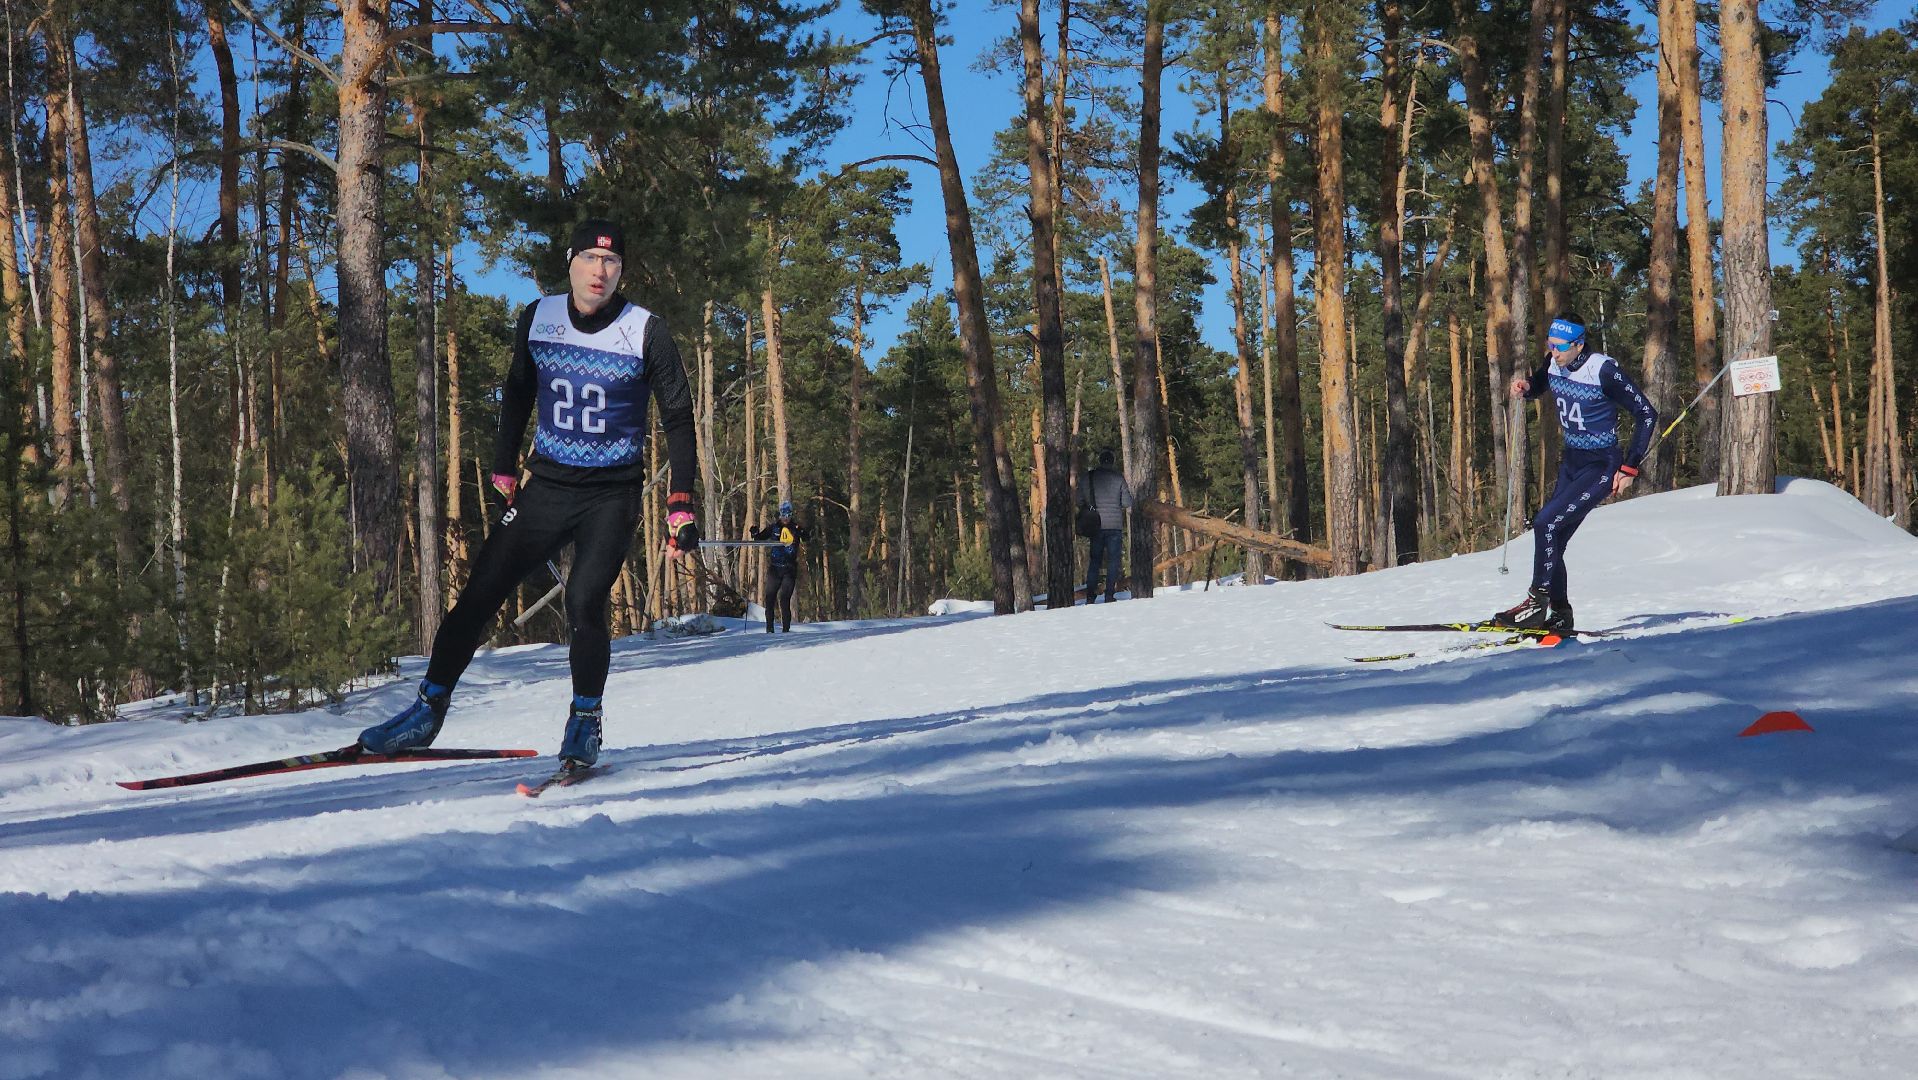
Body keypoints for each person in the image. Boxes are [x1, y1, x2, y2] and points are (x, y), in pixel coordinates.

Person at [358, 218, 699, 770]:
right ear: (570, 263)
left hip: (611, 494)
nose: (600, 271)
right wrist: (502, 467)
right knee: (480, 592)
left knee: (585, 600)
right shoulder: (538, 317)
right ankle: (426, 710)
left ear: (622, 273)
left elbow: (679, 418)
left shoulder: (644, 330)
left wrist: (680, 503)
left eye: (611, 262)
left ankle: (585, 723)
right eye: (589, 258)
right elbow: (517, 390)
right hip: (547, 487)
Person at [1494, 313, 1656, 631]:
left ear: (1579, 343)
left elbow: (1647, 413)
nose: (1554, 352)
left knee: (1545, 522)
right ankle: (1560, 612)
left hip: (1601, 464)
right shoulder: (1555, 361)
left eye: (1560, 346)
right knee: (1552, 536)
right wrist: (1528, 387)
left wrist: (1629, 466)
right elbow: (1543, 379)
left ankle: (1536, 603)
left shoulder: (1603, 369)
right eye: (1550, 345)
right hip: (1572, 461)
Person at [1080, 448, 1131, 603]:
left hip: (1096, 526)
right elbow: (1127, 502)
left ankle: (1090, 595)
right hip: (1114, 526)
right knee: (1113, 561)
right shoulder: (1119, 479)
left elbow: (1078, 500)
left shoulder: (1089, 478)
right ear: (1113, 462)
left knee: (1094, 561)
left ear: (1100, 461)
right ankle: (1109, 594)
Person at [752, 502, 808, 632]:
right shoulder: (774, 527)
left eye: (788, 514)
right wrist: (755, 533)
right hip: (775, 568)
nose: (785, 517)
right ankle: (769, 629)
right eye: (783, 514)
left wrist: (801, 531)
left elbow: (807, 537)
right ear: (780, 514)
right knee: (770, 597)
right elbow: (760, 538)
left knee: (784, 599)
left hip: (789, 569)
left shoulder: (795, 528)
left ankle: (786, 629)